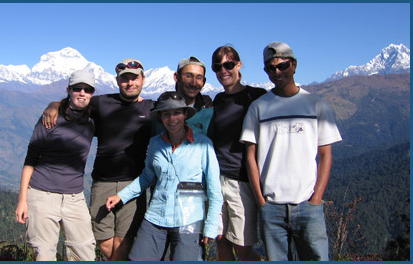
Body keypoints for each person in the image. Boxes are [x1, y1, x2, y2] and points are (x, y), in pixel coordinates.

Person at [41, 59, 154, 260]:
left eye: (134, 78)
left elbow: (178, 113)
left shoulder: (151, 108)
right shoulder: (102, 103)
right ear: (118, 81)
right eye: (125, 79)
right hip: (103, 181)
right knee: (102, 238)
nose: (130, 83)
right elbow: (75, 101)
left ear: (143, 80)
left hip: (134, 183)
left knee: (124, 238)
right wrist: (54, 104)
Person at [240, 41, 342, 261]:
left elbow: (325, 154)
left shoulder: (315, 105)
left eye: (282, 66)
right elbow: (250, 156)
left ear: (293, 65)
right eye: (271, 68)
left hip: (308, 205)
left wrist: (316, 199)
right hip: (271, 207)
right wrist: (261, 200)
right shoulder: (258, 107)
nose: (277, 72)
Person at [105, 91, 223, 261]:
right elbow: (147, 176)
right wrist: (121, 196)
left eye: (176, 113)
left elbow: (214, 190)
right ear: (160, 118)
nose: (172, 118)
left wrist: (211, 227)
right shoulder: (155, 143)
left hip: (189, 219)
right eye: (166, 114)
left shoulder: (203, 145)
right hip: (156, 216)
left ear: (184, 115)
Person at [15, 70, 97, 261]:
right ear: (69, 90)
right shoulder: (49, 119)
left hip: (75, 198)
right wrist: (22, 199)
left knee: (84, 252)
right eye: (77, 88)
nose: (82, 93)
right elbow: (31, 159)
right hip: (42, 195)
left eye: (88, 89)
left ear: (93, 93)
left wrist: (54, 103)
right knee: (44, 254)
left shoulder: (93, 117)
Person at [208, 45, 267, 261]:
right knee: (221, 241)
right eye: (218, 67)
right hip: (216, 179)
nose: (223, 70)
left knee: (243, 247)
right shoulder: (218, 100)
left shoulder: (257, 96)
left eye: (228, 65)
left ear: (239, 65)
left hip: (242, 182)